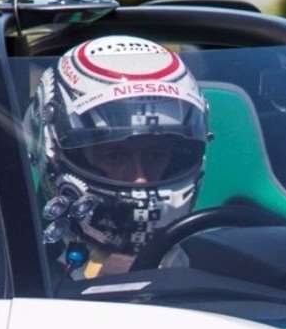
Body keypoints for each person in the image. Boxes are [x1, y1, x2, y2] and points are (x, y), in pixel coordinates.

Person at [33, 35, 213, 278]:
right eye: (114, 156)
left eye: (155, 155)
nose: (140, 178)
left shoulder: (224, 263)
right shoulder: (19, 282)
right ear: (53, 150)